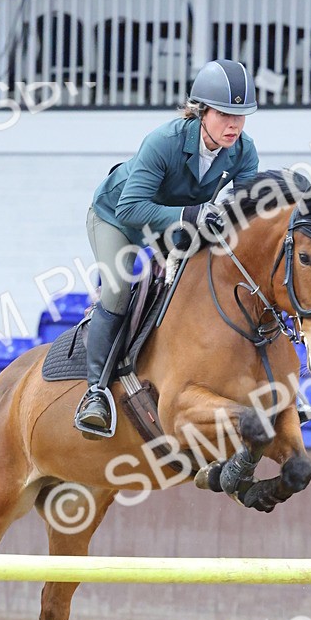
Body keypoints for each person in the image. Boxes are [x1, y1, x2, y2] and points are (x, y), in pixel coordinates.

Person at [73, 59, 260, 436]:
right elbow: (130, 207)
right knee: (118, 289)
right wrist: (194, 214)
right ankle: (95, 392)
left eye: (241, 116)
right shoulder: (164, 142)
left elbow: (246, 213)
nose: (234, 125)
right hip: (117, 218)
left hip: (170, 220)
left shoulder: (243, 151)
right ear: (201, 111)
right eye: (225, 114)